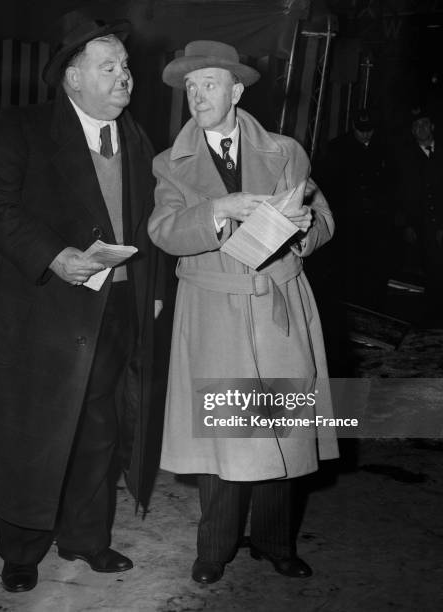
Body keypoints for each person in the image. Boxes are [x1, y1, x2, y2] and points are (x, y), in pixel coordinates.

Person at [0, 11, 163, 592]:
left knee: (99, 429)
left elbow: (150, 224)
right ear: (72, 78)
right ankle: (19, 551)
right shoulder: (19, 128)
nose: (125, 78)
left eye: (126, 67)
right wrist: (53, 255)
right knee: (30, 433)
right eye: (109, 67)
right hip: (39, 310)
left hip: (113, 310)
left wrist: (156, 296)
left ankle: (87, 540)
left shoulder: (138, 139)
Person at [148, 41, 338, 585]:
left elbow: (323, 215)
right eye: (189, 87)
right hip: (213, 309)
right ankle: (215, 548)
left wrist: (305, 234)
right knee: (225, 433)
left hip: (279, 300)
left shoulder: (286, 151)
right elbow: (163, 231)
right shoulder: (171, 162)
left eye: (207, 84)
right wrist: (218, 210)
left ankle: (276, 543)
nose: (196, 95)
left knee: (280, 430)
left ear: (236, 91)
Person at [316, 109, 391, 309]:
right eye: (361, 130)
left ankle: (374, 305)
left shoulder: (384, 147)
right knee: (349, 267)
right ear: (353, 126)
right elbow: (327, 186)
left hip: (376, 220)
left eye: (369, 130)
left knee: (375, 267)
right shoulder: (337, 148)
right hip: (349, 220)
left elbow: (391, 183)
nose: (366, 134)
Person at [393, 107, 443, 326]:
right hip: (422, 226)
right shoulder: (405, 158)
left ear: (432, 126)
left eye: (424, 123)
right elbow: (400, 194)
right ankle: (433, 319)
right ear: (412, 132)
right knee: (430, 271)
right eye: (415, 126)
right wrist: (407, 225)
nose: (420, 129)